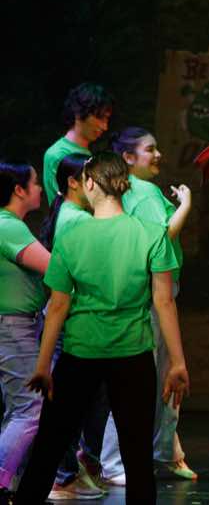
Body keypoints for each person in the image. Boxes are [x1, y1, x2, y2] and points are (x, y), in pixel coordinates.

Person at [14, 152, 189, 505]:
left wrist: (43, 365)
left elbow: (58, 305)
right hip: (133, 355)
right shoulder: (151, 234)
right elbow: (164, 301)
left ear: (90, 183)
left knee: (48, 449)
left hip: (80, 354)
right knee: (137, 458)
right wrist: (178, 363)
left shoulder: (72, 237)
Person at [92, 128, 195, 484]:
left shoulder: (121, 192)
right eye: (150, 149)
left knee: (157, 376)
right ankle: (115, 461)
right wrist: (185, 205)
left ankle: (163, 450)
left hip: (139, 288)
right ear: (128, 158)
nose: (158, 155)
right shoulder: (145, 191)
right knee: (144, 377)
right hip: (153, 289)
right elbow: (162, 237)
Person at [38, 154, 109, 500]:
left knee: (86, 399)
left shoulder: (73, 215)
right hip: (72, 321)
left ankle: (73, 469)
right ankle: (64, 476)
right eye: (91, 177)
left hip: (76, 320)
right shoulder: (75, 220)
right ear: (73, 182)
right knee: (70, 402)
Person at [0, 161, 48, 500]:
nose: (40, 188)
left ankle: (10, 483)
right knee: (31, 409)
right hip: (13, 328)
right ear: (19, 190)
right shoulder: (9, 227)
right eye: (34, 182)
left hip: (15, 326)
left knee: (19, 408)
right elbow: (54, 267)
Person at [42, 83, 113, 200]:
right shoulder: (59, 154)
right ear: (79, 113)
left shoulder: (85, 151)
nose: (105, 127)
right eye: (100, 117)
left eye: (107, 119)